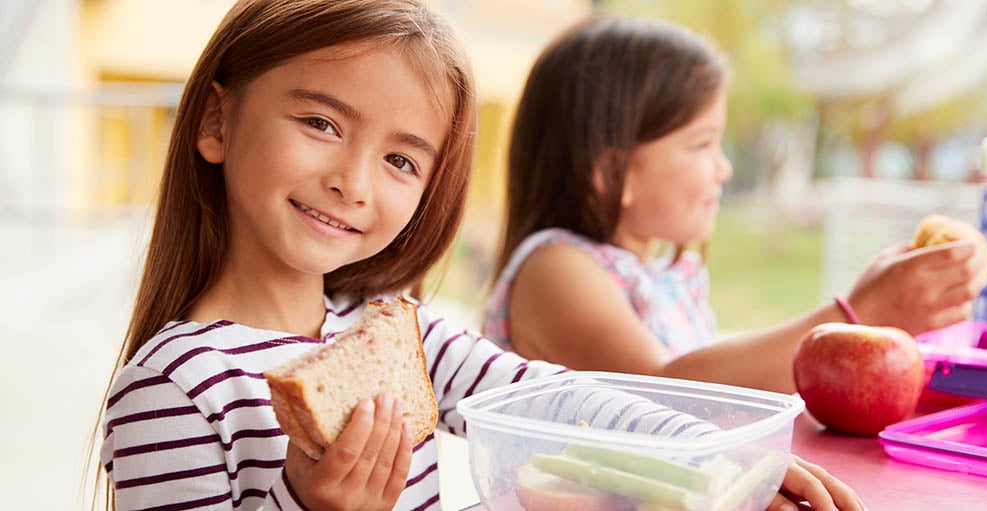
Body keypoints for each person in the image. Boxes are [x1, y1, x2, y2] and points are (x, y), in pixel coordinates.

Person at [93, 2, 862, 510]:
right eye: (321, 123)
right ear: (219, 124)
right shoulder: (174, 386)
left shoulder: (406, 337)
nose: (352, 181)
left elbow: (552, 400)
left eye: (401, 160)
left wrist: (709, 456)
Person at [483, 14, 987, 395]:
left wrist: (875, 317)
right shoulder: (554, 269)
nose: (723, 168)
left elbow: (730, 375)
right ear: (609, 171)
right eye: (703, 144)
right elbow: (669, 392)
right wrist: (859, 314)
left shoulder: (658, 273)